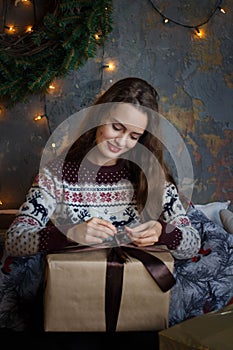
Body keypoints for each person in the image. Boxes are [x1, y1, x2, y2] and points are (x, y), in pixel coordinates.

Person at [5, 77, 201, 259]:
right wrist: (69, 234)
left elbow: (192, 245)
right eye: (116, 127)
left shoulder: (152, 175)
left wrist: (162, 233)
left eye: (134, 136)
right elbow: (14, 241)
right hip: (74, 283)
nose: (122, 142)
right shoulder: (55, 175)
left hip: (137, 285)